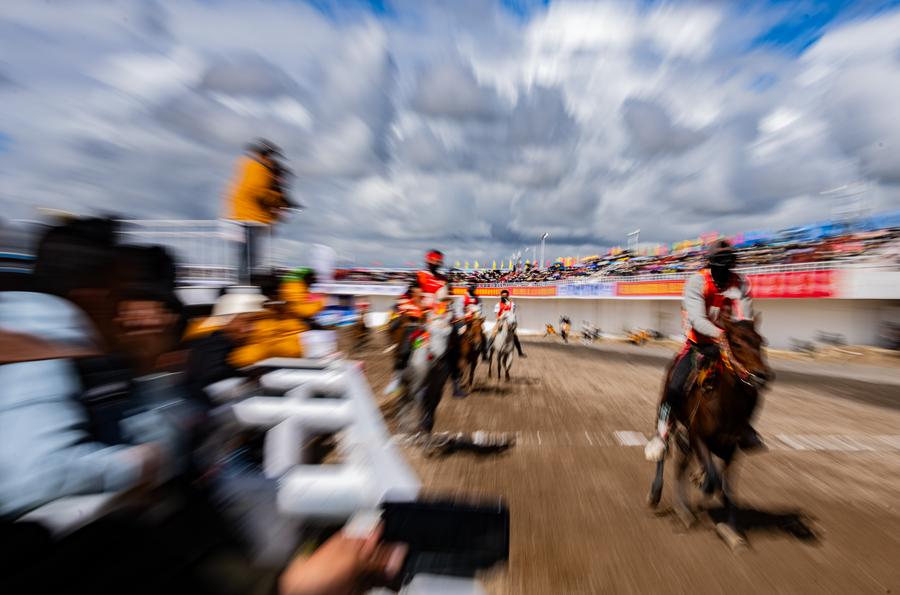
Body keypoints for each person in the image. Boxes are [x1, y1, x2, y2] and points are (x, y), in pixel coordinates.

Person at [645, 239, 764, 461]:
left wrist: (740, 340)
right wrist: (723, 336)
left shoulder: (740, 283)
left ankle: (745, 428)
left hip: (729, 346)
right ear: (711, 263)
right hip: (698, 345)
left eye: (730, 262)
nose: (726, 267)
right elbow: (698, 321)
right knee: (674, 386)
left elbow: (745, 318)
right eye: (722, 262)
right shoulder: (696, 282)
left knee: (753, 385)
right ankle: (661, 434)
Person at [225, 139, 293, 283]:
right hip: (250, 219)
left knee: (247, 257)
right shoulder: (258, 168)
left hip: (245, 217)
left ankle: (244, 284)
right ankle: (244, 286)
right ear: (266, 155)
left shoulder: (252, 167)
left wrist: (276, 210)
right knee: (249, 258)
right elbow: (258, 193)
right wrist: (279, 200)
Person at [487, 290, 526, 358]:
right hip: (500, 321)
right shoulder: (497, 305)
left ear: (508, 296)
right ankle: (486, 349)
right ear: (501, 296)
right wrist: (500, 318)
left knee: (515, 336)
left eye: (505, 296)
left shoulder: (512, 304)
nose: (504, 297)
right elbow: (496, 315)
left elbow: (512, 314)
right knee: (493, 333)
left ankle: (520, 352)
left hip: (509, 323)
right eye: (503, 296)